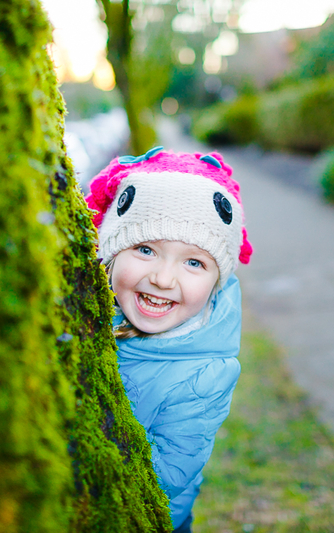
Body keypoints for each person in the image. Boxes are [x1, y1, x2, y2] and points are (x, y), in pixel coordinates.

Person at [85, 147, 253, 533]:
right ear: (111, 253)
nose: (163, 278)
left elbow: (166, 478)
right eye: (145, 249)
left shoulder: (206, 373)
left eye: (194, 262)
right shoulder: (92, 309)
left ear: (215, 283)